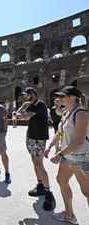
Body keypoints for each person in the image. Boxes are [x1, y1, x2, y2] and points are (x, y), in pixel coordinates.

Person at [44, 86, 89, 224]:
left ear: (73, 97)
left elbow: (79, 141)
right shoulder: (67, 113)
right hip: (68, 157)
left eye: (63, 96)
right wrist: (50, 146)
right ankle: (69, 215)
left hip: (82, 157)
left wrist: (60, 154)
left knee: (87, 191)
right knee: (61, 180)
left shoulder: (81, 113)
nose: (59, 99)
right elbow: (60, 133)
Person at [16, 87, 56, 211]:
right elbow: (19, 113)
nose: (25, 97)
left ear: (32, 94)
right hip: (31, 136)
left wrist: (18, 113)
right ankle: (40, 185)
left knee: (39, 164)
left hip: (39, 138)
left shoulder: (40, 104)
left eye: (26, 95)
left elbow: (24, 117)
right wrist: (23, 106)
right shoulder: (31, 105)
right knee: (34, 162)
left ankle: (49, 192)